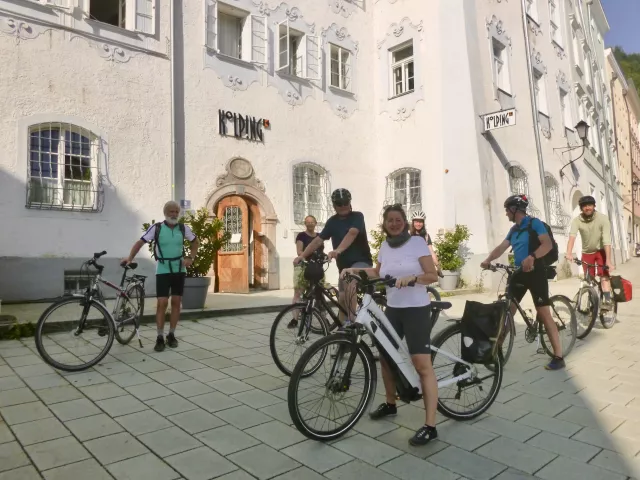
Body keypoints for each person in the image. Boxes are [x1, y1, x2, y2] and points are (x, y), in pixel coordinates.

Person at [341, 204, 439, 445]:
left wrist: (414, 278)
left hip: (416, 308)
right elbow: (377, 271)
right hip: (393, 309)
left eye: (398, 219)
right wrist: (351, 270)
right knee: (385, 357)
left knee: (421, 364)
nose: (394, 223)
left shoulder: (416, 243)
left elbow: (432, 275)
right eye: (389, 220)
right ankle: (391, 403)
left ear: (404, 222)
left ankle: (430, 425)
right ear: (384, 224)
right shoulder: (385, 246)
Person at [480, 194, 565, 371]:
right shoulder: (514, 230)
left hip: (536, 273)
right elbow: (501, 248)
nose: (506, 214)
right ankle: (496, 351)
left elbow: (547, 245)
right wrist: (488, 259)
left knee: (544, 312)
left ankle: (558, 356)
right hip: (518, 273)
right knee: (507, 312)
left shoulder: (534, 223)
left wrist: (532, 257)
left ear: (514, 209)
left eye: (507, 210)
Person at [123, 201, 199, 352]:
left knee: (176, 301)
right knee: (162, 303)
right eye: (171, 211)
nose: (174, 214)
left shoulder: (183, 228)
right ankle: (159, 336)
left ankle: (171, 335)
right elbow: (140, 242)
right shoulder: (157, 228)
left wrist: (191, 257)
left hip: (179, 269)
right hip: (163, 269)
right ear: (165, 213)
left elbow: (195, 242)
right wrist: (130, 258)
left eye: (176, 212)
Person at [293, 188, 372, 324]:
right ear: (334, 205)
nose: (343, 206)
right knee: (341, 299)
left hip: (361, 262)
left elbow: (352, 233)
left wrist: (338, 250)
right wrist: (303, 256)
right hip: (343, 266)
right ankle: (342, 331)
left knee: (351, 283)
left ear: (350, 202)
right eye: (339, 203)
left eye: (345, 202)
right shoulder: (332, 222)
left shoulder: (357, 216)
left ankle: (352, 324)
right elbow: (318, 240)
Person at [565, 195, 614, 307]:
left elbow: (606, 240)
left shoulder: (602, 219)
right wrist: (568, 253)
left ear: (594, 206)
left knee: (603, 275)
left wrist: (609, 261)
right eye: (584, 206)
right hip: (587, 253)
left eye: (589, 205)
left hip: (601, 251)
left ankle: (607, 300)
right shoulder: (577, 221)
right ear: (581, 208)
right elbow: (572, 237)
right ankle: (594, 297)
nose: (587, 208)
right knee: (589, 279)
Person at [289, 215, 324, 328]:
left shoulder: (319, 236)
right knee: (298, 292)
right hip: (304, 266)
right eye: (307, 222)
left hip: (317, 267)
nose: (310, 224)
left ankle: (324, 320)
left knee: (319, 293)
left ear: (316, 223)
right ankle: (295, 319)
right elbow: (300, 251)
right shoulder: (301, 236)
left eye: (312, 222)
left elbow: (321, 250)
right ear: (305, 224)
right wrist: (306, 257)